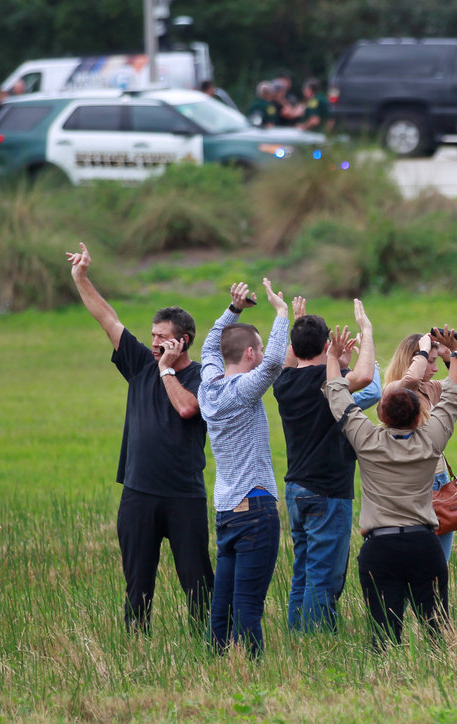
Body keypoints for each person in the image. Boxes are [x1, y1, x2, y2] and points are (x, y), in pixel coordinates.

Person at [65, 242, 212, 634]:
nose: (154, 343)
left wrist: (166, 370)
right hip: (139, 493)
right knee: (138, 586)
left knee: (198, 584)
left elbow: (187, 409)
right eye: (152, 334)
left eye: (162, 337)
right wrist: (81, 276)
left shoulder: (203, 378)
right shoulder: (140, 364)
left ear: (183, 341)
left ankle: (212, 648)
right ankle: (136, 646)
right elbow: (107, 318)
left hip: (185, 494)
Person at [325, 325, 457, 650]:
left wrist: (333, 358)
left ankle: (388, 685)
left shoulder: (367, 441)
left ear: (382, 414)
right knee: (436, 634)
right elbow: (455, 396)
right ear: (420, 414)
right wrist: (455, 352)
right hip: (424, 545)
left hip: (381, 548)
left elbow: (337, 396)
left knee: (383, 637)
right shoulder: (431, 441)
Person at [275, 296, 382, 633]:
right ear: (326, 344)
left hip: (296, 490)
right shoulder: (326, 384)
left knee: (303, 570)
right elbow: (366, 377)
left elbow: (293, 360)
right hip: (327, 491)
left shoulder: (283, 382)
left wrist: (299, 321)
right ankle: (317, 640)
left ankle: (298, 636)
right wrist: (367, 331)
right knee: (324, 576)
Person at [198, 279, 290, 659]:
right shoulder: (242, 390)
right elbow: (273, 363)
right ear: (251, 352)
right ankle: (252, 669)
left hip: (225, 510)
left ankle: (218, 663)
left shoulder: (208, 387)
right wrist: (281, 314)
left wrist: (232, 310)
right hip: (255, 509)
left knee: (224, 603)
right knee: (249, 604)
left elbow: (208, 346)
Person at [382, 332, 457, 562]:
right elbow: (410, 381)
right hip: (416, 484)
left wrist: (449, 355)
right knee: (419, 562)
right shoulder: (394, 391)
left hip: (440, 479)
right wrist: (423, 352)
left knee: (439, 563)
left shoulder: (428, 387)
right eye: (430, 362)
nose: (434, 369)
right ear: (413, 360)